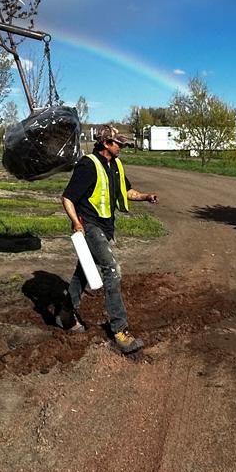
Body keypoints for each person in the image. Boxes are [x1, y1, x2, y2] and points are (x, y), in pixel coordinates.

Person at [58, 123, 158, 354]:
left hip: (106, 226)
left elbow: (127, 191)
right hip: (90, 226)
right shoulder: (88, 165)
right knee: (112, 270)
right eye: (118, 143)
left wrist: (145, 197)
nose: (121, 146)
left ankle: (65, 312)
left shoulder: (116, 165)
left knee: (83, 270)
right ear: (105, 143)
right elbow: (68, 198)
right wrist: (76, 223)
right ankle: (120, 330)